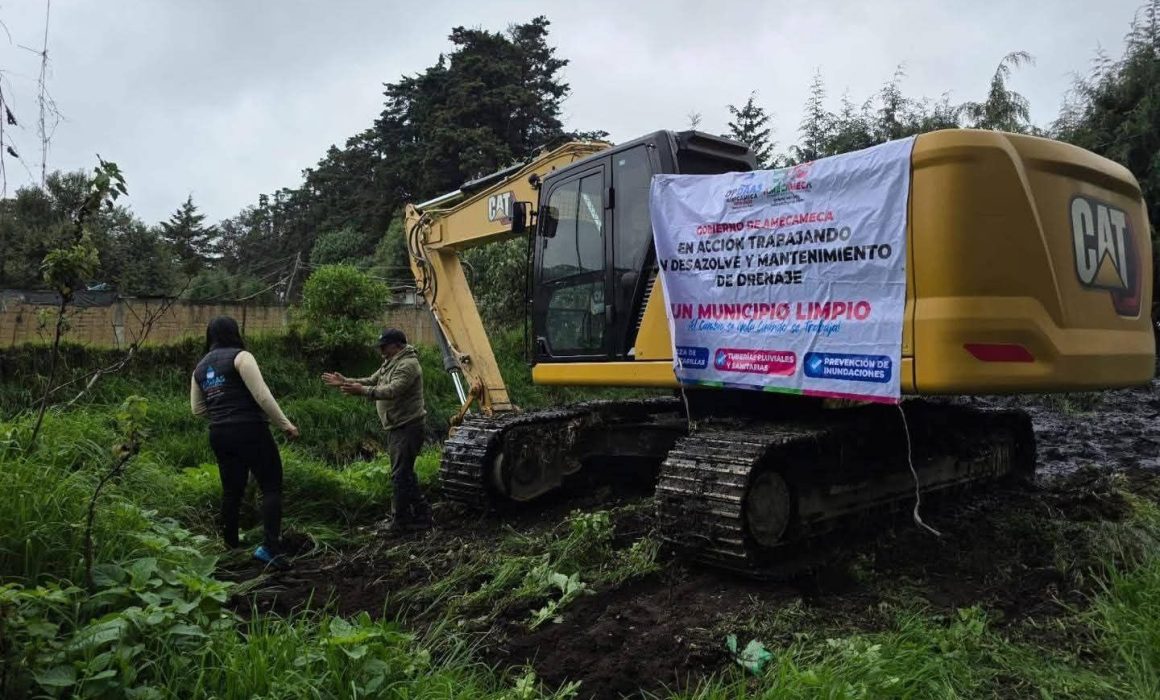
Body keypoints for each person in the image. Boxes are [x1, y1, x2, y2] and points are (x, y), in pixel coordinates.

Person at [191, 316, 298, 570]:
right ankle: (270, 548)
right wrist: (286, 425)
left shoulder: (200, 368)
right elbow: (262, 395)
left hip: (218, 432)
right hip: (250, 429)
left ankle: (231, 549)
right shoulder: (241, 357)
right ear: (234, 332)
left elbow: (197, 410)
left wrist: (222, 413)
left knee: (231, 491)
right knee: (271, 486)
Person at [322, 328, 432, 533]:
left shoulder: (408, 365)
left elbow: (392, 391)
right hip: (397, 426)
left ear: (397, 345)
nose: (381, 350)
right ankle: (421, 514)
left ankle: (400, 521)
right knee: (404, 473)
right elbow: (372, 380)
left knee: (400, 475)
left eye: (384, 346)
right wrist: (345, 381)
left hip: (408, 427)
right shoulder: (391, 361)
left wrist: (362, 392)